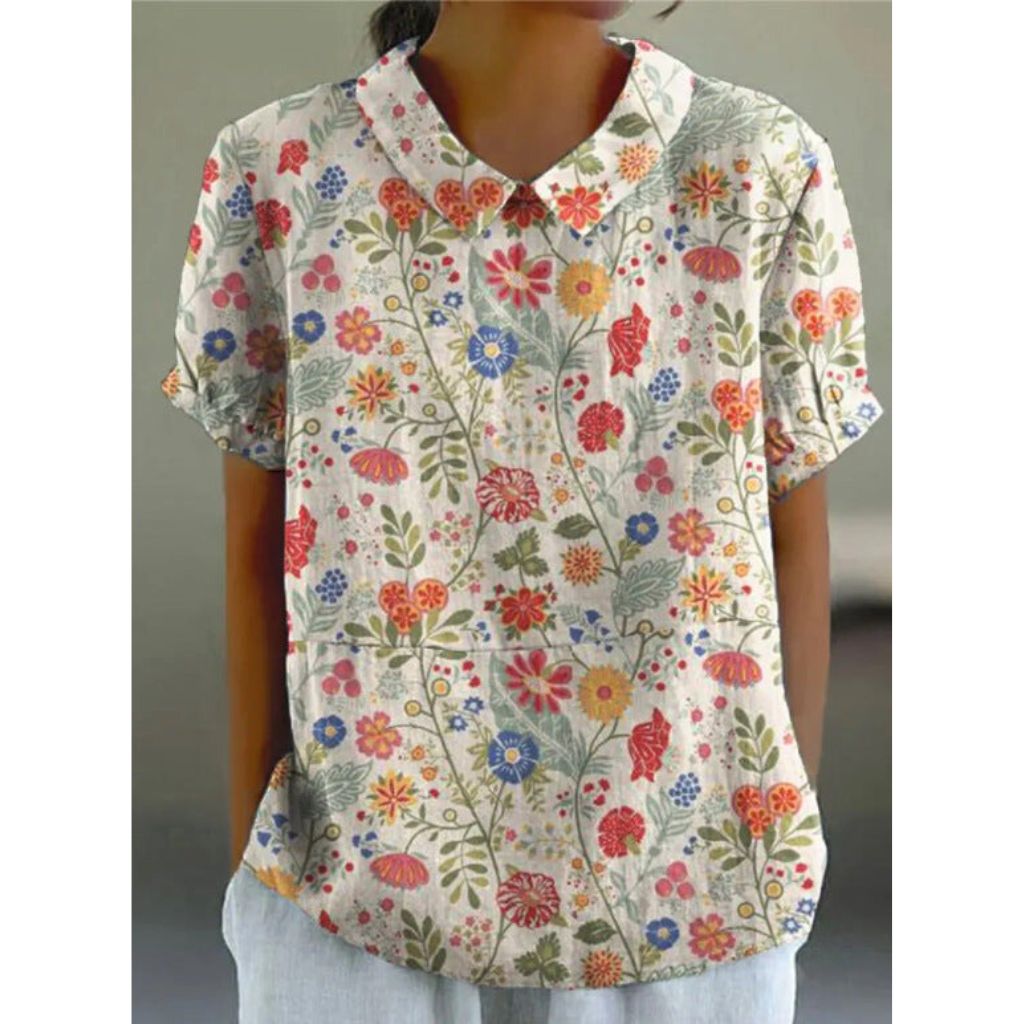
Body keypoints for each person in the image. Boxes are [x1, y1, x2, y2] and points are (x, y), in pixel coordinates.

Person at [158, 1, 885, 1021]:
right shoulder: (279, 169)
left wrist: (770, 850)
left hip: (697, 906)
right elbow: (257, 547)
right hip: (351, 907)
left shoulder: (762, 167)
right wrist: (265, 891)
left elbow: (789, 537)